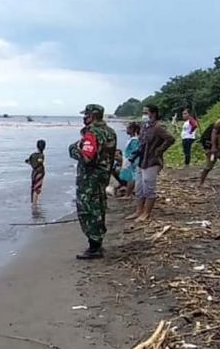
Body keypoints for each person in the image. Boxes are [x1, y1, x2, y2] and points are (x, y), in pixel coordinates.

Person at [68, 104, 117, 259]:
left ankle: (94, 246)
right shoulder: (110, 132)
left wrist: (73, 149)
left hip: (90, 178)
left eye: (86, 115)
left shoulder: (92, 133)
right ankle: (97, 244)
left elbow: (88, 157)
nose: (84, 118)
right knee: (99, 207)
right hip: (103, 176)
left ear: (93, 116)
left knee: (88, 210)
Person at [127, 104, 175, 221]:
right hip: (141, 160)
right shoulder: (145, 126)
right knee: (139, 188)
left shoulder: (158, 127)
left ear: (153, 113)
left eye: (145, 113)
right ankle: (139, 211)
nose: (144, 115)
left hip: (152, 161)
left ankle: (146, 213)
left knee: (149, 188)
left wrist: (159, 150)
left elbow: (170, 139)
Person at [117, 121, 142, 197]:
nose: (126, 130)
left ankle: (128, 194)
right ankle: (128, 192)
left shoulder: (134, 140)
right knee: (129, 176)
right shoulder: (133, 139)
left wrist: (130, 160)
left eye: (128, 128)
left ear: (132, 129)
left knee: (131, 177)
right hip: (129, 159)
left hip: (131, 160)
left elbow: (134, 151)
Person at [25, 139, 46, 204]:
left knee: (34, 187)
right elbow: (39, 162)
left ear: (37, 146)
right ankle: (35, 204)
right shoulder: (41, 155)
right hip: (40, 172)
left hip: (34, 172)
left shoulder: (33, 155)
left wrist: (30, 162)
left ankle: (33, 202)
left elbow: (28, 161)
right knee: (37, 189)